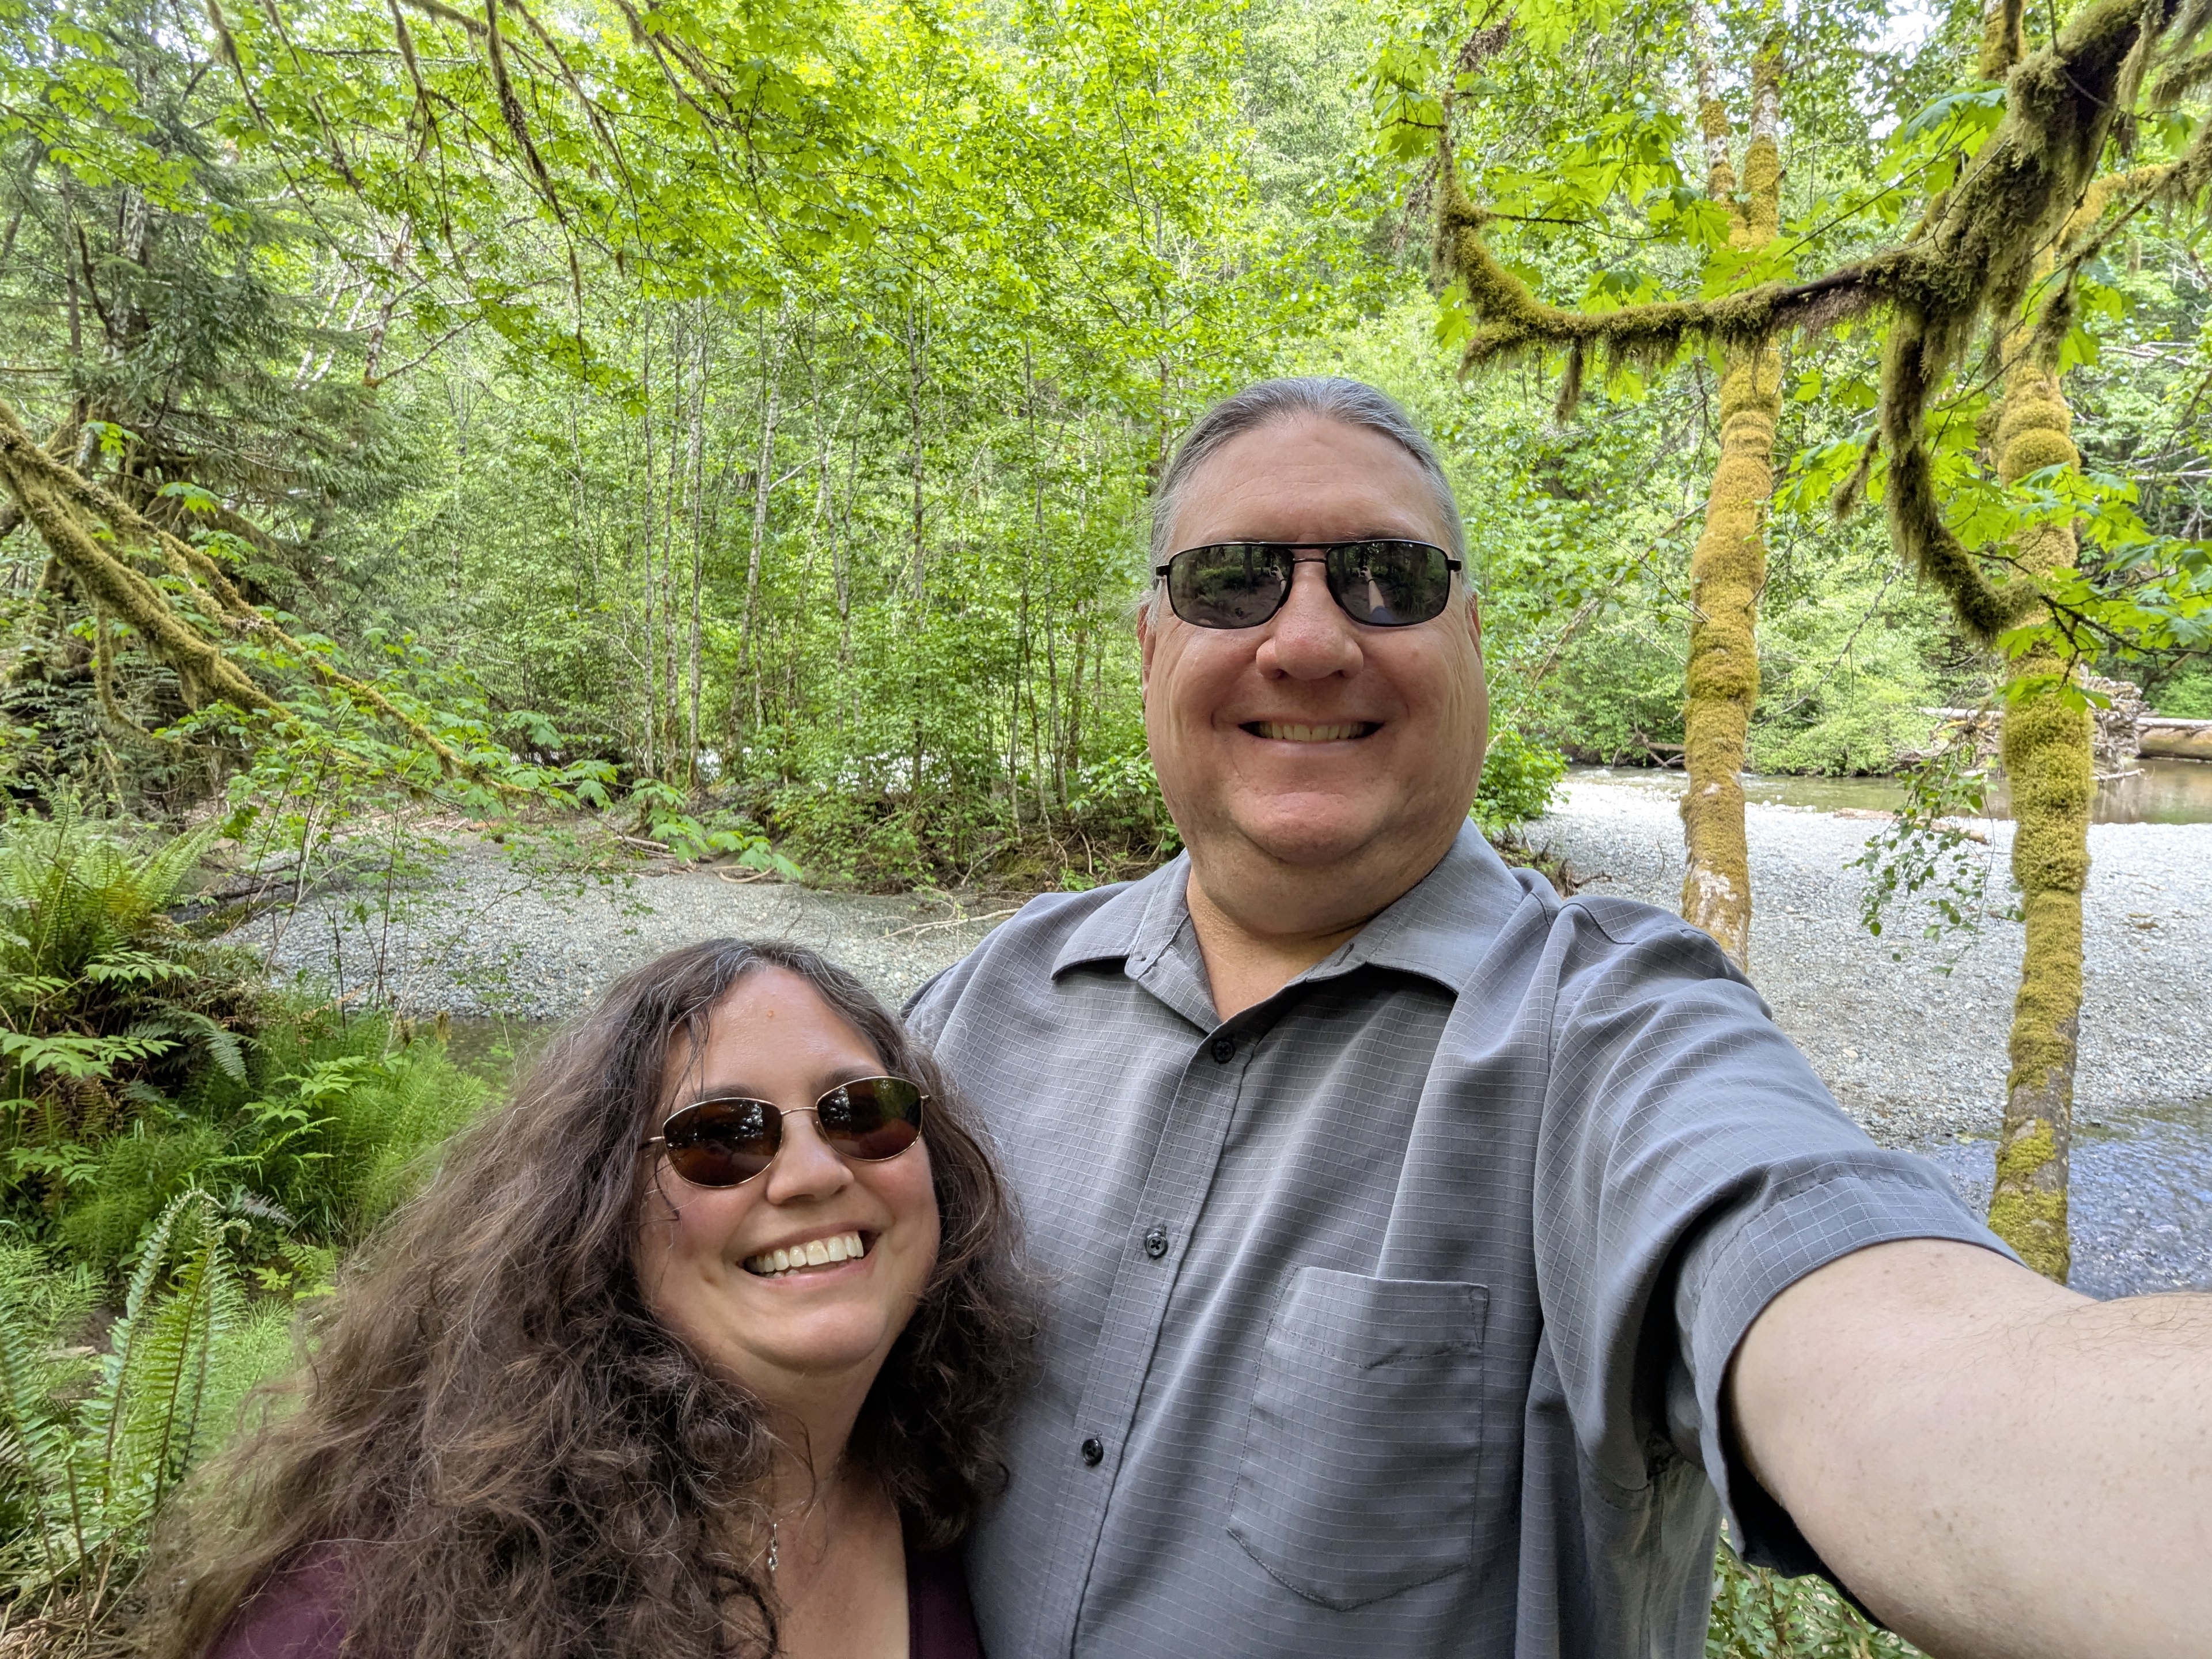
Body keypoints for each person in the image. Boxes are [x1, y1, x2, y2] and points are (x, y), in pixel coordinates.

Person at [906, 376, 2212, 1659]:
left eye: (1389, 579)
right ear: (1152, 645)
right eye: (1233, 579)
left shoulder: (1613, 1029)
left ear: (1469, 640)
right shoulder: (982, 1005)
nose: (1307, 639)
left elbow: (1904, 1367)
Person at [132, 938, 1029, 1659]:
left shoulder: (951, 1486)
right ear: (594, 1216)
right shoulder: (368, 1610)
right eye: (719, 1138)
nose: (811, 1174)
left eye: (860, 1111)